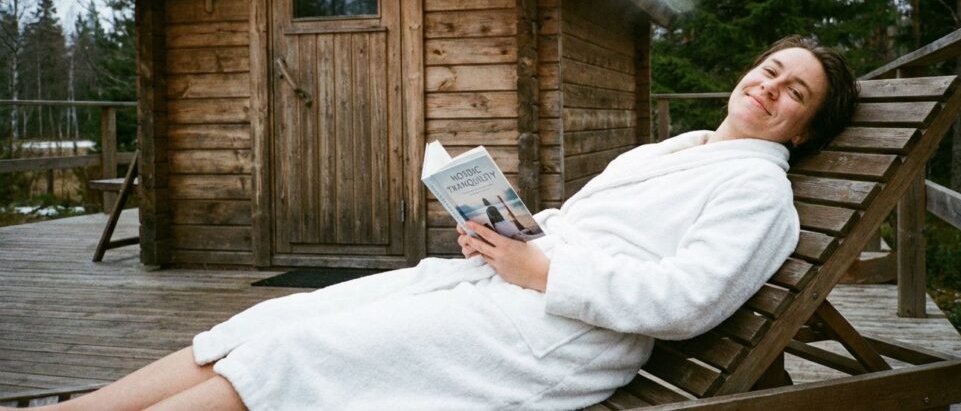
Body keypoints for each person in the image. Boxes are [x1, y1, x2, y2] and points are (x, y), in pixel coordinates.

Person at [29, 35, 858, 411]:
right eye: (770, 70)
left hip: (561, 336)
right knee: (277, 317)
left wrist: (544, 271)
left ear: (804, 130)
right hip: (504, 288)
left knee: (299, 357)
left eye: (795, 93)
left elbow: (687, 298)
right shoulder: (677, 150)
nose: (769, 89)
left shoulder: (757, 195)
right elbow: (587, 223)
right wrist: (509, 230)